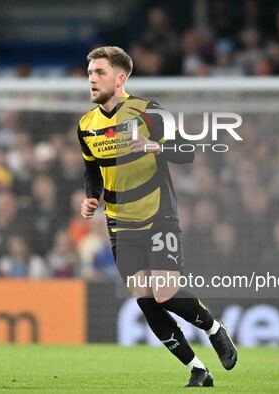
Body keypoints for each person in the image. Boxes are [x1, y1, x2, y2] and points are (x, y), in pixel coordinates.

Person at [77, 46, 237, 387]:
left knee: (164, 292)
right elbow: (92, 169)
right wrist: (91, 198)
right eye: (90, 73)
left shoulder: (148, 112)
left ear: (120, 78)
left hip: (157, 214)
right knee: (146, 300)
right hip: (120, 223)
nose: (92, 79)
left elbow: (189, 152)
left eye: (99, 72)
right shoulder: (86, 126)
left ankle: (214, 328)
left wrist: (155, 146)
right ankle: (197, 369)